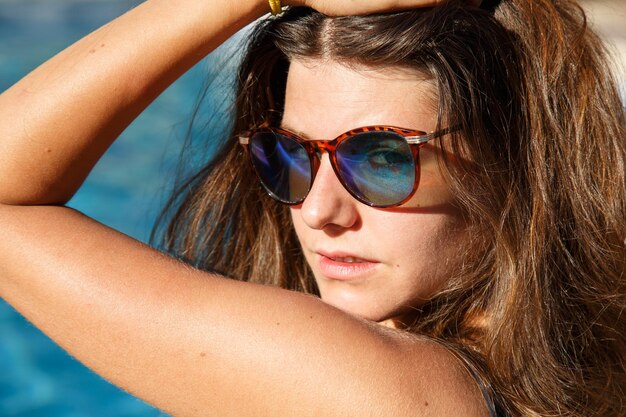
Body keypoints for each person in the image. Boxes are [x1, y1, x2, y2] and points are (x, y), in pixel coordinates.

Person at [0, 0, 623, 416]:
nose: (320, 209)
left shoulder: (378, 391)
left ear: (515, 165)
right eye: (289, 154)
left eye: (382, 159)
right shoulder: (583, 354)